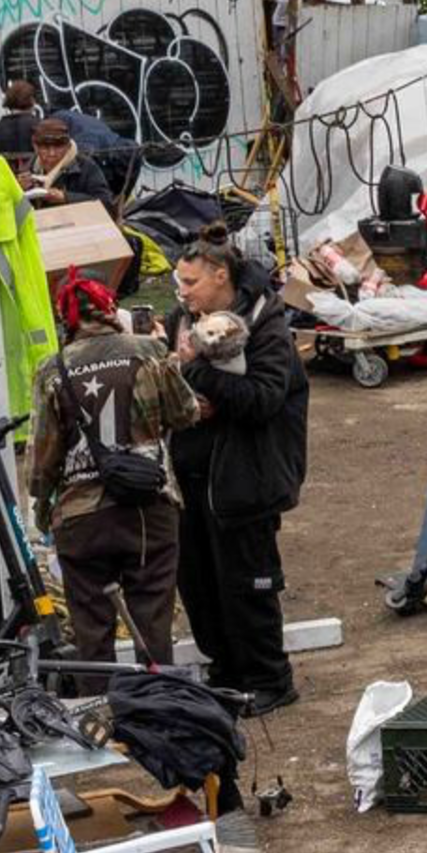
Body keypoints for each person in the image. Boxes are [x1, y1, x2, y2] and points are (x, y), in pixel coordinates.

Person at [25, 276, 195, 668]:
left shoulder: (53, 369)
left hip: (80, 516)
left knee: (90, 628)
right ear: (110, 310)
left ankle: (95, 715)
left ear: (65, 320)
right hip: (149, 507)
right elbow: (185, 413)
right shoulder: (150, 351)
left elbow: (42, 458)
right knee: (152, 617)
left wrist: (42, 506)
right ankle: (159, 708)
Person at [165, 242, 305, 714]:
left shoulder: (268, 327)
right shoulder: (180, 321)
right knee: (200, 583)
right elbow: (177, 382)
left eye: (191, 282)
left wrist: (198, 377)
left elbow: (262, 398)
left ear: (221, 275)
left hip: (247, 479)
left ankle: (269, 678)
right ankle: (225, 669)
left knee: (249, 584)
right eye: (179, 282)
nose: (183, 293)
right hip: (192, 476)